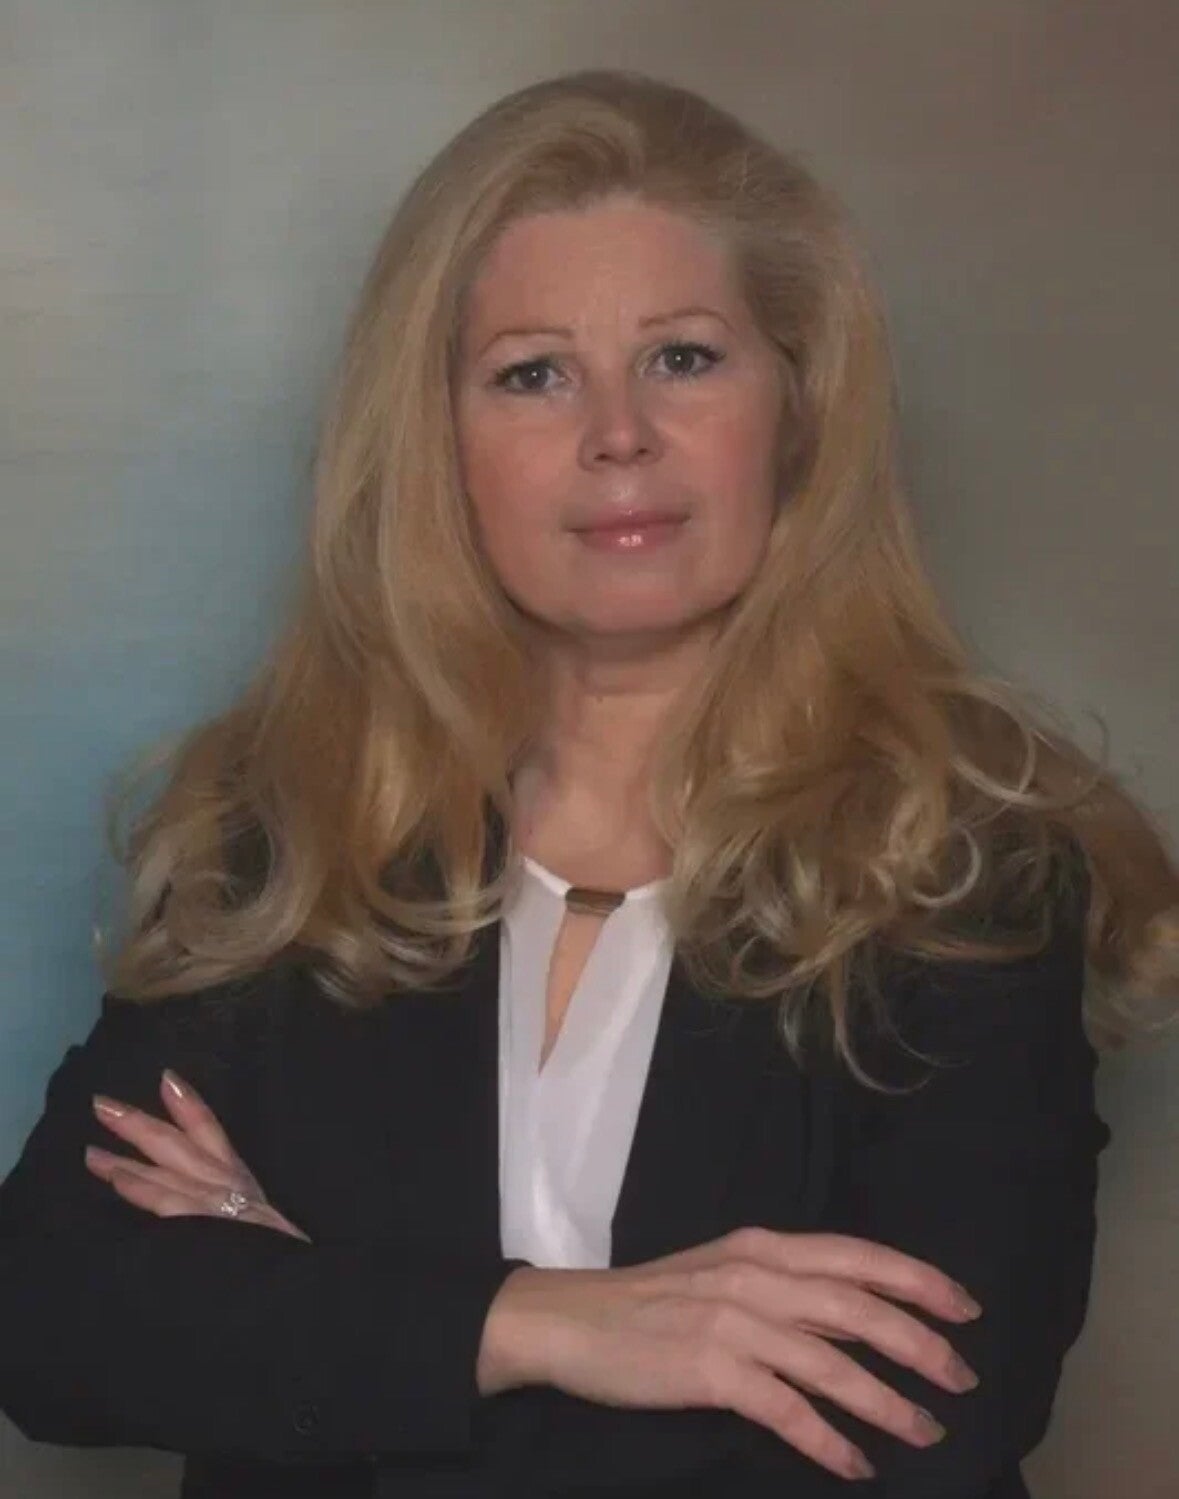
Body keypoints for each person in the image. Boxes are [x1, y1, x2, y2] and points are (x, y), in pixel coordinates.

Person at [1, 68, 1176, 1499]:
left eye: (683, 357)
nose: (618, 432)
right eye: (533, 373)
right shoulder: (291, 836)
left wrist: (321, 1326)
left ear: (798, 412)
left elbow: (911, 1437)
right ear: (437, 444)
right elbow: (50, 1313)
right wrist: (536, 1325)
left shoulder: (968, 864)